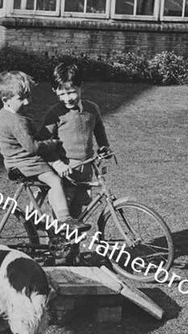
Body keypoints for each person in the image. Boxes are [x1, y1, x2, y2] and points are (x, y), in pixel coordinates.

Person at [0, 70, 89, 231]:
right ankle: (65, 219)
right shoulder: (16, 121)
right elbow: (33, 147)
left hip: (18, 160)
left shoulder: (5, 114)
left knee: (48, 181)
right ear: (6, 99)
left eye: (28, 97)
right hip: (25, 162)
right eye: (21, 99)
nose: (27, 102)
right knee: (55, 181)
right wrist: (52, 143)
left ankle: (33, 214)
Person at [40, 62, 113, 218]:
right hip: (65, 172)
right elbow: (42, 143)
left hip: (85, 168)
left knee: (78, 215)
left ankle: (74, 243)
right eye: (61, 94)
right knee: (62, 217)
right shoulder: (55, 113)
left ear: (81, 87)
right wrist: (56, 163)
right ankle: (55, 241)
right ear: (55, 91)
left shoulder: (92, 109)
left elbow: (99, 130)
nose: (67, 99)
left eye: (71, 92)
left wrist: (104, 147)